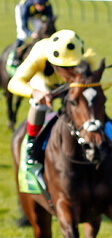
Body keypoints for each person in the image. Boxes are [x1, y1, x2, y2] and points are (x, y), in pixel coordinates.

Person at [7, 29, 101, 174]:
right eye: (64, 68)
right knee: (39, 106)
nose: (68, 72)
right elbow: (14, 83)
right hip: (44, 84)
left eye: (72, 67)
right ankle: (32, 144)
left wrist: (85, 84)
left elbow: (106, 82)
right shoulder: (39, 53)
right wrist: (34, 93)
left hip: (73, 85)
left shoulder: (86, 54)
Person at [11, 0, 54, 66]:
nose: (41, 7)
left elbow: (49, 21)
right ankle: (15, 57)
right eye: (39, 4)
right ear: (35, 3)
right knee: (22, 35)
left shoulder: (48, 6)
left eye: (43, 5)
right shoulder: (26, 6)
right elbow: (23, 26)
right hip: (22, 13)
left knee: (40, 31)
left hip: (35, 15)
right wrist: (31, 33)